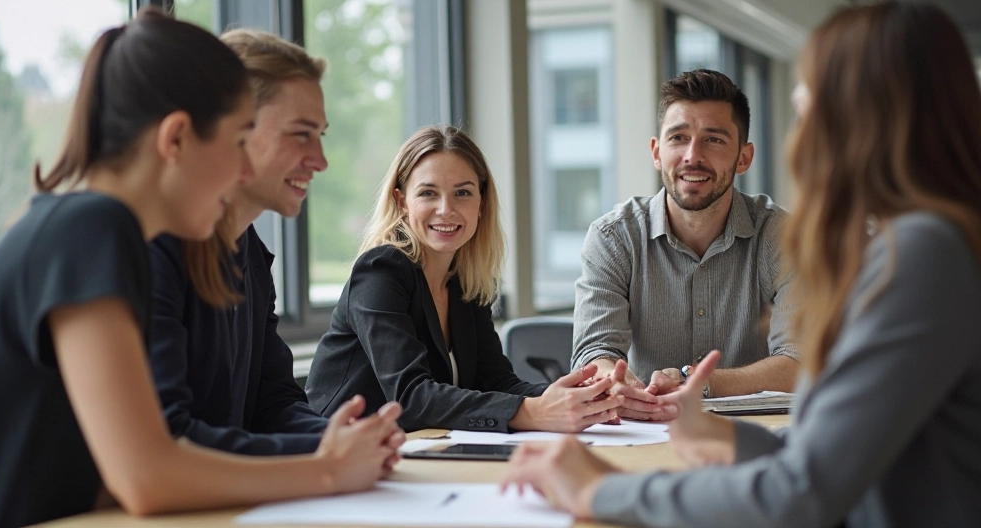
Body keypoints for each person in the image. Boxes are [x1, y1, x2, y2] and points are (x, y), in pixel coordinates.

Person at [502, 0, 981, 527]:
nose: (799, 138)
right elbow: (831, 459)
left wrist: (602, 488)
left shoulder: (923, 256)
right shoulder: (928, 243)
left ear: (865, 118)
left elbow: (803, 493)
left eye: (806, 111)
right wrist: (728, 435)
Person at [0, 9, 402, 528]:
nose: (241, 171)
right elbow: (147, 476)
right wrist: (327, 471)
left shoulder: (85, 226)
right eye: (238, 143)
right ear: (175, 139)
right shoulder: (91, 228)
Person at [306, 126, 620, 432]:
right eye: (428, 193)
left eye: (462, 193)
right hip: (336, 452)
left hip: (417, 451)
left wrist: (578, 397)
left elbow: (497, 382)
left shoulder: (467, 282)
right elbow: (411, 398)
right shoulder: (381, 271)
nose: (446, 209)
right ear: (402, 202)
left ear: (481, 203)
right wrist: (532, 413)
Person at [572, 69, 798, 420]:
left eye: (714, 140)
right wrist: (617, 383)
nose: (693, 156)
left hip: (756, 434)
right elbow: (594, 351)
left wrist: (697, 382)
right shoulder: (613, 237)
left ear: (744, 157)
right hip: (647, 431)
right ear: (656, 152)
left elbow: (800, 361)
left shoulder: (784, 237)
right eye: (678, 138)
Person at [147, 29, 332, 455]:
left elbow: (273, 401)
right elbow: (169, 436)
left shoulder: (250, 253)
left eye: (320, 135)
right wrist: (325, 464)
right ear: (235, 128)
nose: (320, 160)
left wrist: (336, 439)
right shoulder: (153, 249)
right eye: (300, 134)